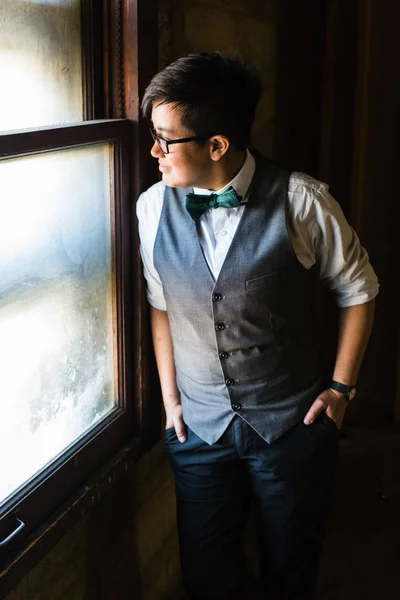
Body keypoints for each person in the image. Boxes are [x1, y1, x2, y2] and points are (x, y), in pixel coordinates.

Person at [136, 52, 378, 600]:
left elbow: (360, 291)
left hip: (291, 426)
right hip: (197, 429)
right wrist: (172, 402)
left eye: (165, 139)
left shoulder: (303, 200)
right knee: (206, 576)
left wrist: (341, 390)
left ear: (216, 145)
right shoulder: (152, 208)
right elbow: (162, 305)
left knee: (291, 570)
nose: (154, 151)